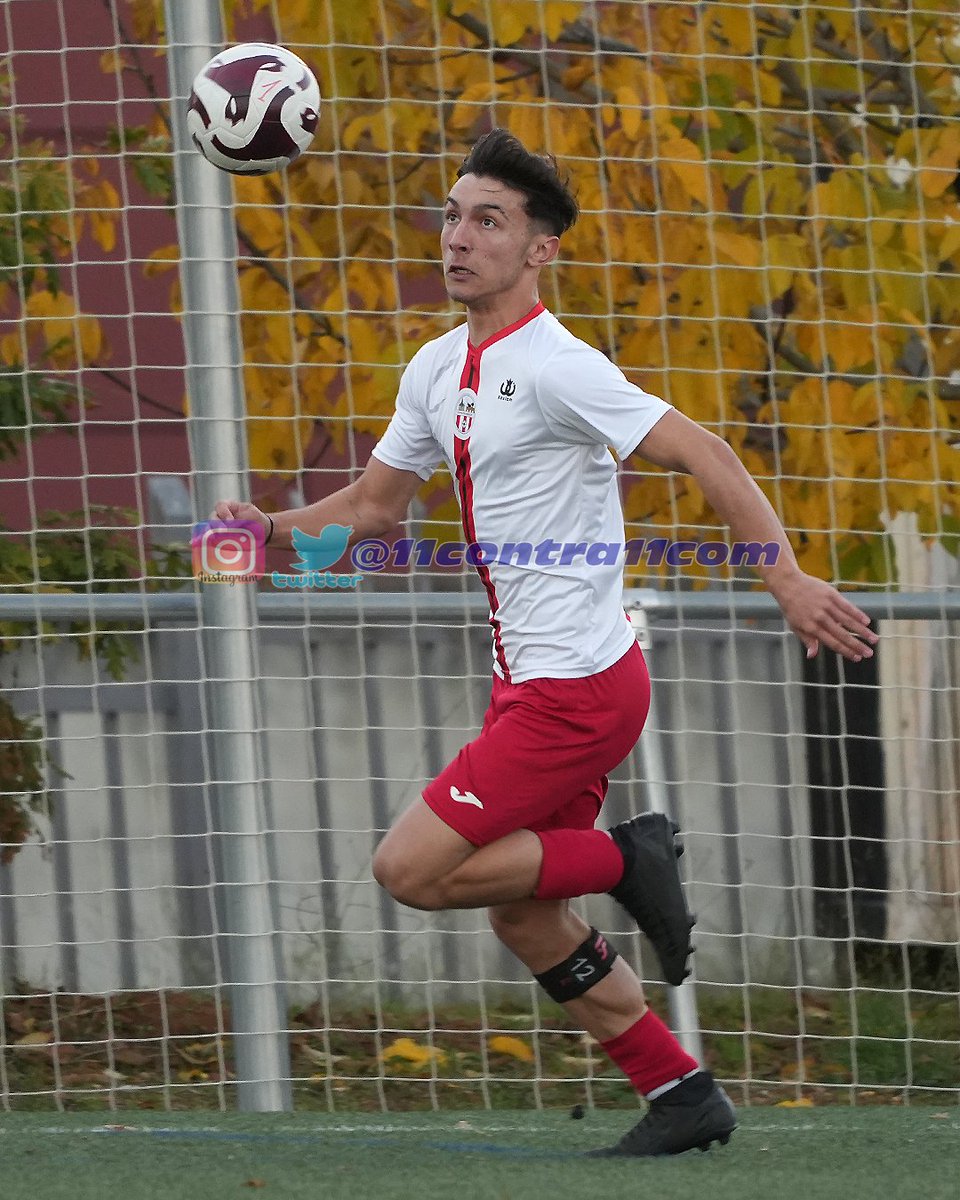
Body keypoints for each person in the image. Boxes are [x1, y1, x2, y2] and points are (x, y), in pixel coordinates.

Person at [213, 128, 878, 1155]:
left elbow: (704, 449)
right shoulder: (439, 367)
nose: (459, 237)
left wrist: (781, 574)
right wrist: (265, 541)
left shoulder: (562, 366)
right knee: (522, 912)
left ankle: (625, 854)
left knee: (411, 871)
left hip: (577, 688)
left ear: (539, 252)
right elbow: (379, 508)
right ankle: (683, 1094)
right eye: (451, 214)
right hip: (529, 685)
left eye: (490, 220)